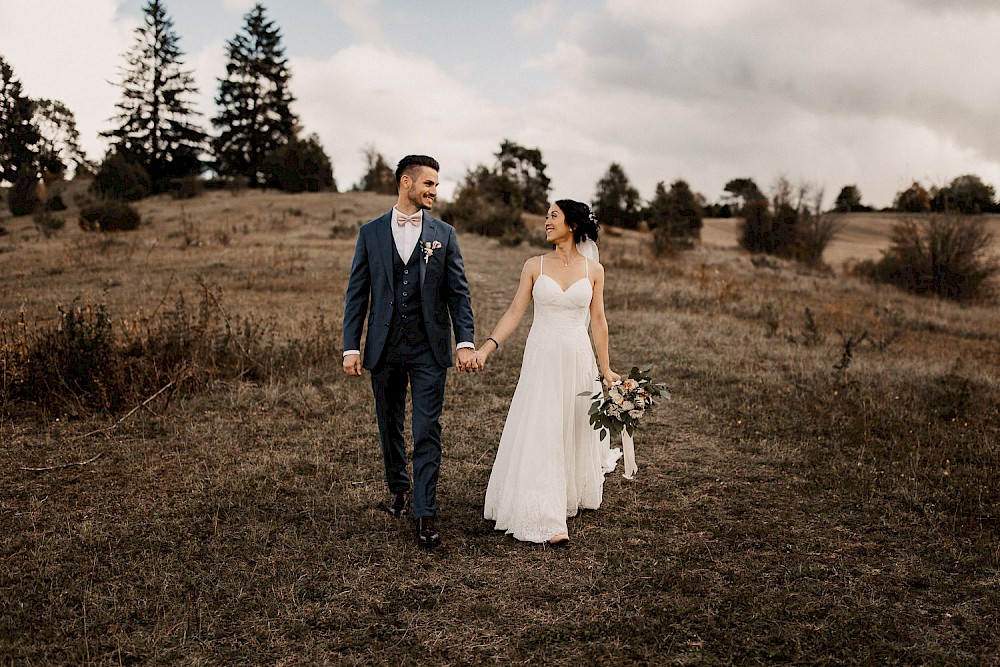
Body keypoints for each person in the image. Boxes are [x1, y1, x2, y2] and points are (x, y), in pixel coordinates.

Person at [342, 154, 479, 548]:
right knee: (389, 426)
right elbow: (357, 295)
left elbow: (458, 292)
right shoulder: (370, 233)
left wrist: (464, 340)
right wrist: (352, 347)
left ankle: (425, 512)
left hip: (428, 350)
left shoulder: (444, 234)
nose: (435, 191)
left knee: (427, 429)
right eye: (429, 184)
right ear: (406, 182)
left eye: (436, 185)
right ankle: (398, 490)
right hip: (383, 348)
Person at [476, 199, 621, 544]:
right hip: (542, 358)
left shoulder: (593, 271)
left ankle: (568, 491)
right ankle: (545, 515)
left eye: (553, 216)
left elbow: (598, 322)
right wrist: (486, 348)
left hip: (576, 358)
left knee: (569, 424)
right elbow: (514, 313)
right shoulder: (534, 266)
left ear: (571, 225)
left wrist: (606, 370)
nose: (546, 222)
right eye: (546, 217)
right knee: (542, 426)